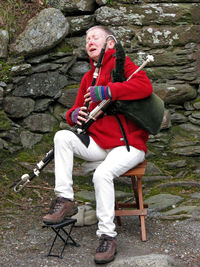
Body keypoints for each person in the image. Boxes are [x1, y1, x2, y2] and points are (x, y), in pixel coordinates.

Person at [43, 25, 153, 264]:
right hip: (100, 144)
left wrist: (106, 91)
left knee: (101, 174)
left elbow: (145, 87)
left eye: (95, 38)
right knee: (63, 136)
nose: (89, 42)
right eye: (86, 39)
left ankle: (107, 236)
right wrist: (73, 116)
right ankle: (65, 199)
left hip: (129, 144)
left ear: (110, 43)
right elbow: (74, 109)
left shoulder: (123, 65)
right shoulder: (87, 77)